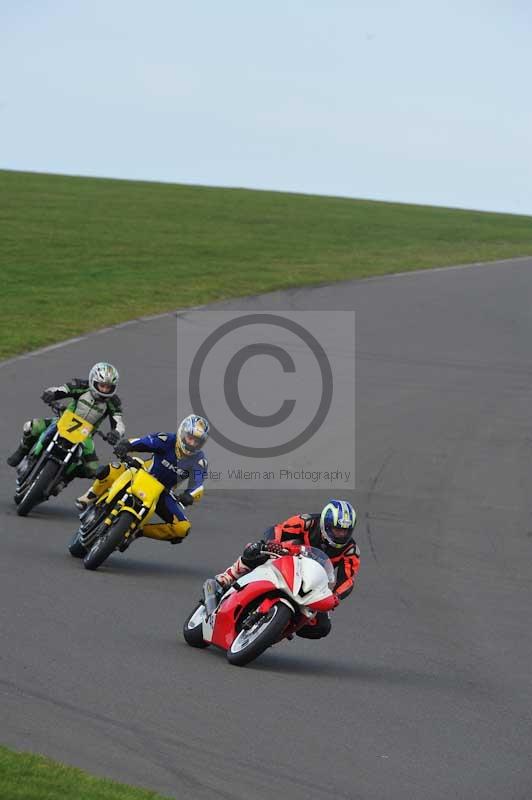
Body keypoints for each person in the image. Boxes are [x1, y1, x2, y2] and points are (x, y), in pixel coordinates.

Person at [215, 499, 360, 639]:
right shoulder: (307, 522)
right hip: (288, 559)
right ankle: (230, 575)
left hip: (312, 581)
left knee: (322, 626)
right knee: (255, 550)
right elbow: (278, 529)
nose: (341, 534)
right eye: (337, 529)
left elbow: (348, 580)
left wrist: (336, 596)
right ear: (325, 525)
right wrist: (272, 543)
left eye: (345, 531)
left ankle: (281, 626)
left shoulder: (350, 550)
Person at [76, 414, 209, 544]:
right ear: (182, 433)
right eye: (190, 438)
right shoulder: (167, 439)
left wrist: (189, 496)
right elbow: (143, 442)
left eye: (197, 441)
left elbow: (198, 484)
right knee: (112, 469)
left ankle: (138, 531)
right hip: (142, 472)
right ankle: (90, 497)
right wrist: (126, 446)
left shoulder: (199, 461)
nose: (192, 443)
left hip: (162, 492)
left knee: (182, 528)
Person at [7, 363, 125, 486]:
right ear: (93, 381)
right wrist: (51, 394)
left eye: (108, 387)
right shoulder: (81, 386)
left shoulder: (113, 403)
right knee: (31, 426)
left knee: (93, 468)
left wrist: (116, 433)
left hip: (86, 435)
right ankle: (22, 452)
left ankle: (64, 479)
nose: (105, 390)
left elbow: (119, 422)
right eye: (102, 385)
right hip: (63, 421)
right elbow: (63, 389)